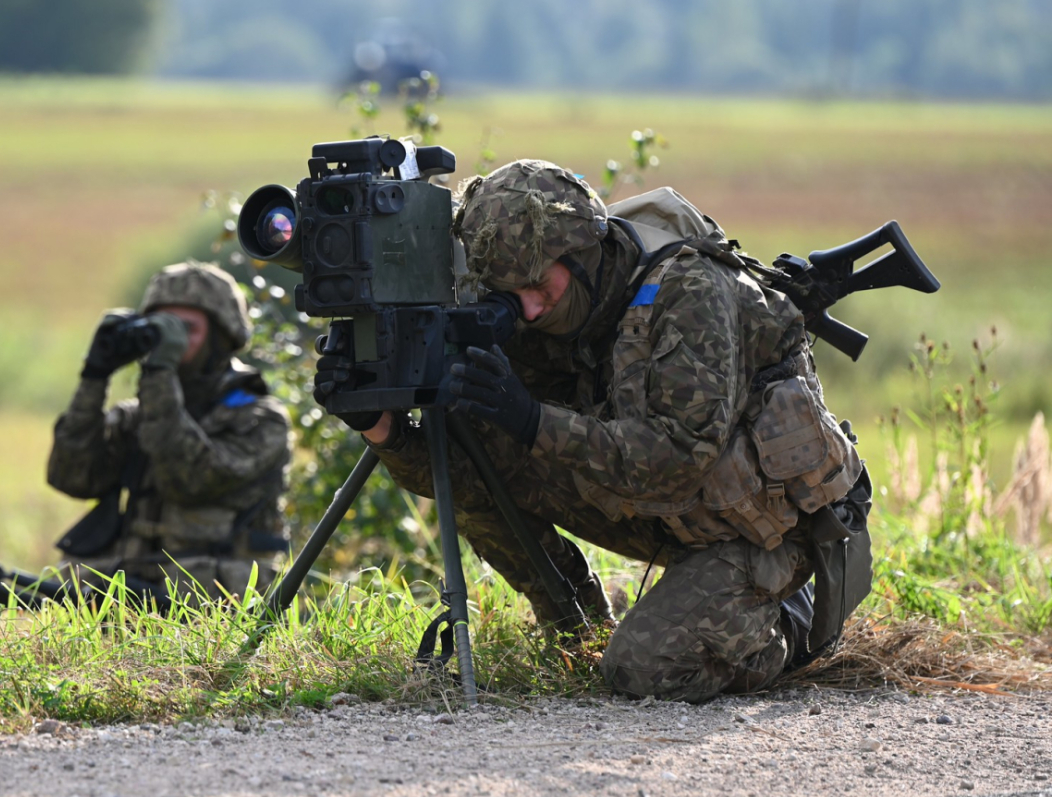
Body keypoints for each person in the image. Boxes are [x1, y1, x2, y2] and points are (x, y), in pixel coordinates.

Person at [317, 160, 871, 702]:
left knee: (643, 668)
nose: (529, 309)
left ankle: (789, 626)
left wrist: (532, 420)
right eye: (510, 295)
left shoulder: (689, 291)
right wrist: (384, 431)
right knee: (484, 449)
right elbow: (466, 474)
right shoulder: (541, 307)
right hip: (671, 513)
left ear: (586, 252)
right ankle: (574, 626)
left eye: (538, 285)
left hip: (762, 527)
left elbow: (678, 462)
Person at [0, 261, 292, 610]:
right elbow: (72, 477)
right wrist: (94, 376)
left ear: (221, 338)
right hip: (123, 597)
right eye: (160, 327)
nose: (172, 342)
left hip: (213, 606)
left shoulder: (260, 420)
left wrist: (159, 371)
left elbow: (190, 481)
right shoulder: (137, 416)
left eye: (186, 330)